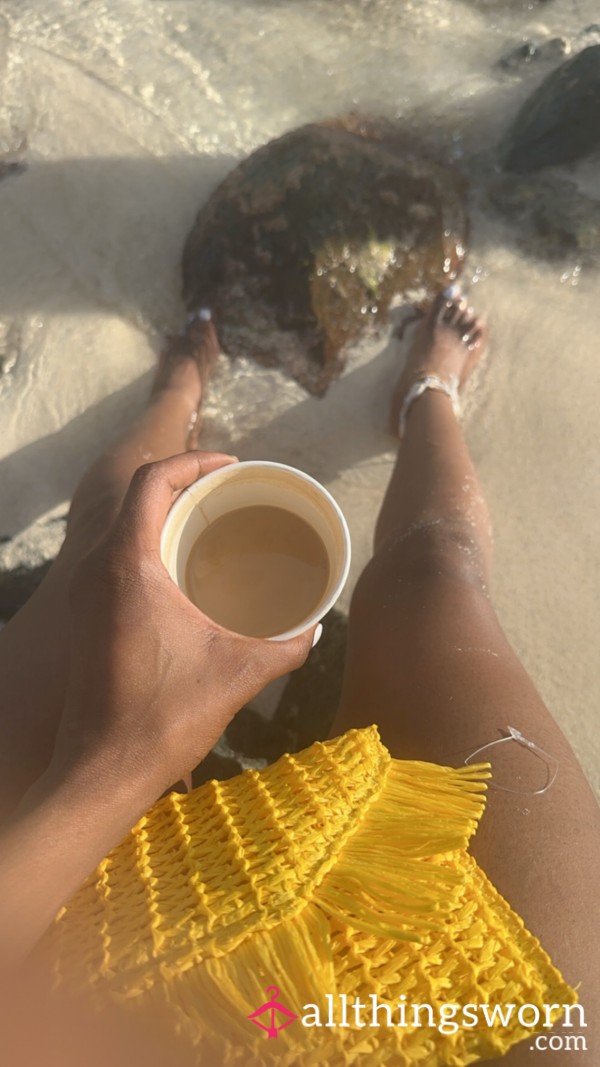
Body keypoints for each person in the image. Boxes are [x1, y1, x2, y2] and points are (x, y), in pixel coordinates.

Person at [0, 292, 598, 1067]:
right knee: (434, 569)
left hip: (53, 922)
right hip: (429, 990)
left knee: (111, 528)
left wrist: (105, 766)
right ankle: (426, 396)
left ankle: (178, 393)